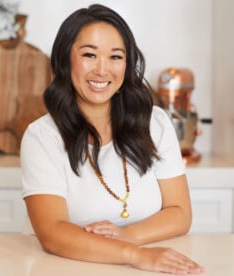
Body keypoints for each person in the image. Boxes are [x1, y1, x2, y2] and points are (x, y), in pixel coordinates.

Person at [20, 4, 204, 274]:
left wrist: (126, 236)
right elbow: (52, 233)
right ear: (64, 60)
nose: (102, 70)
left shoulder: (156, 123)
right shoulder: (42, 137)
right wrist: (136, 255)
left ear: (127, 64)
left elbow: (180, 213)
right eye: (89, 55)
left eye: (115, 57)